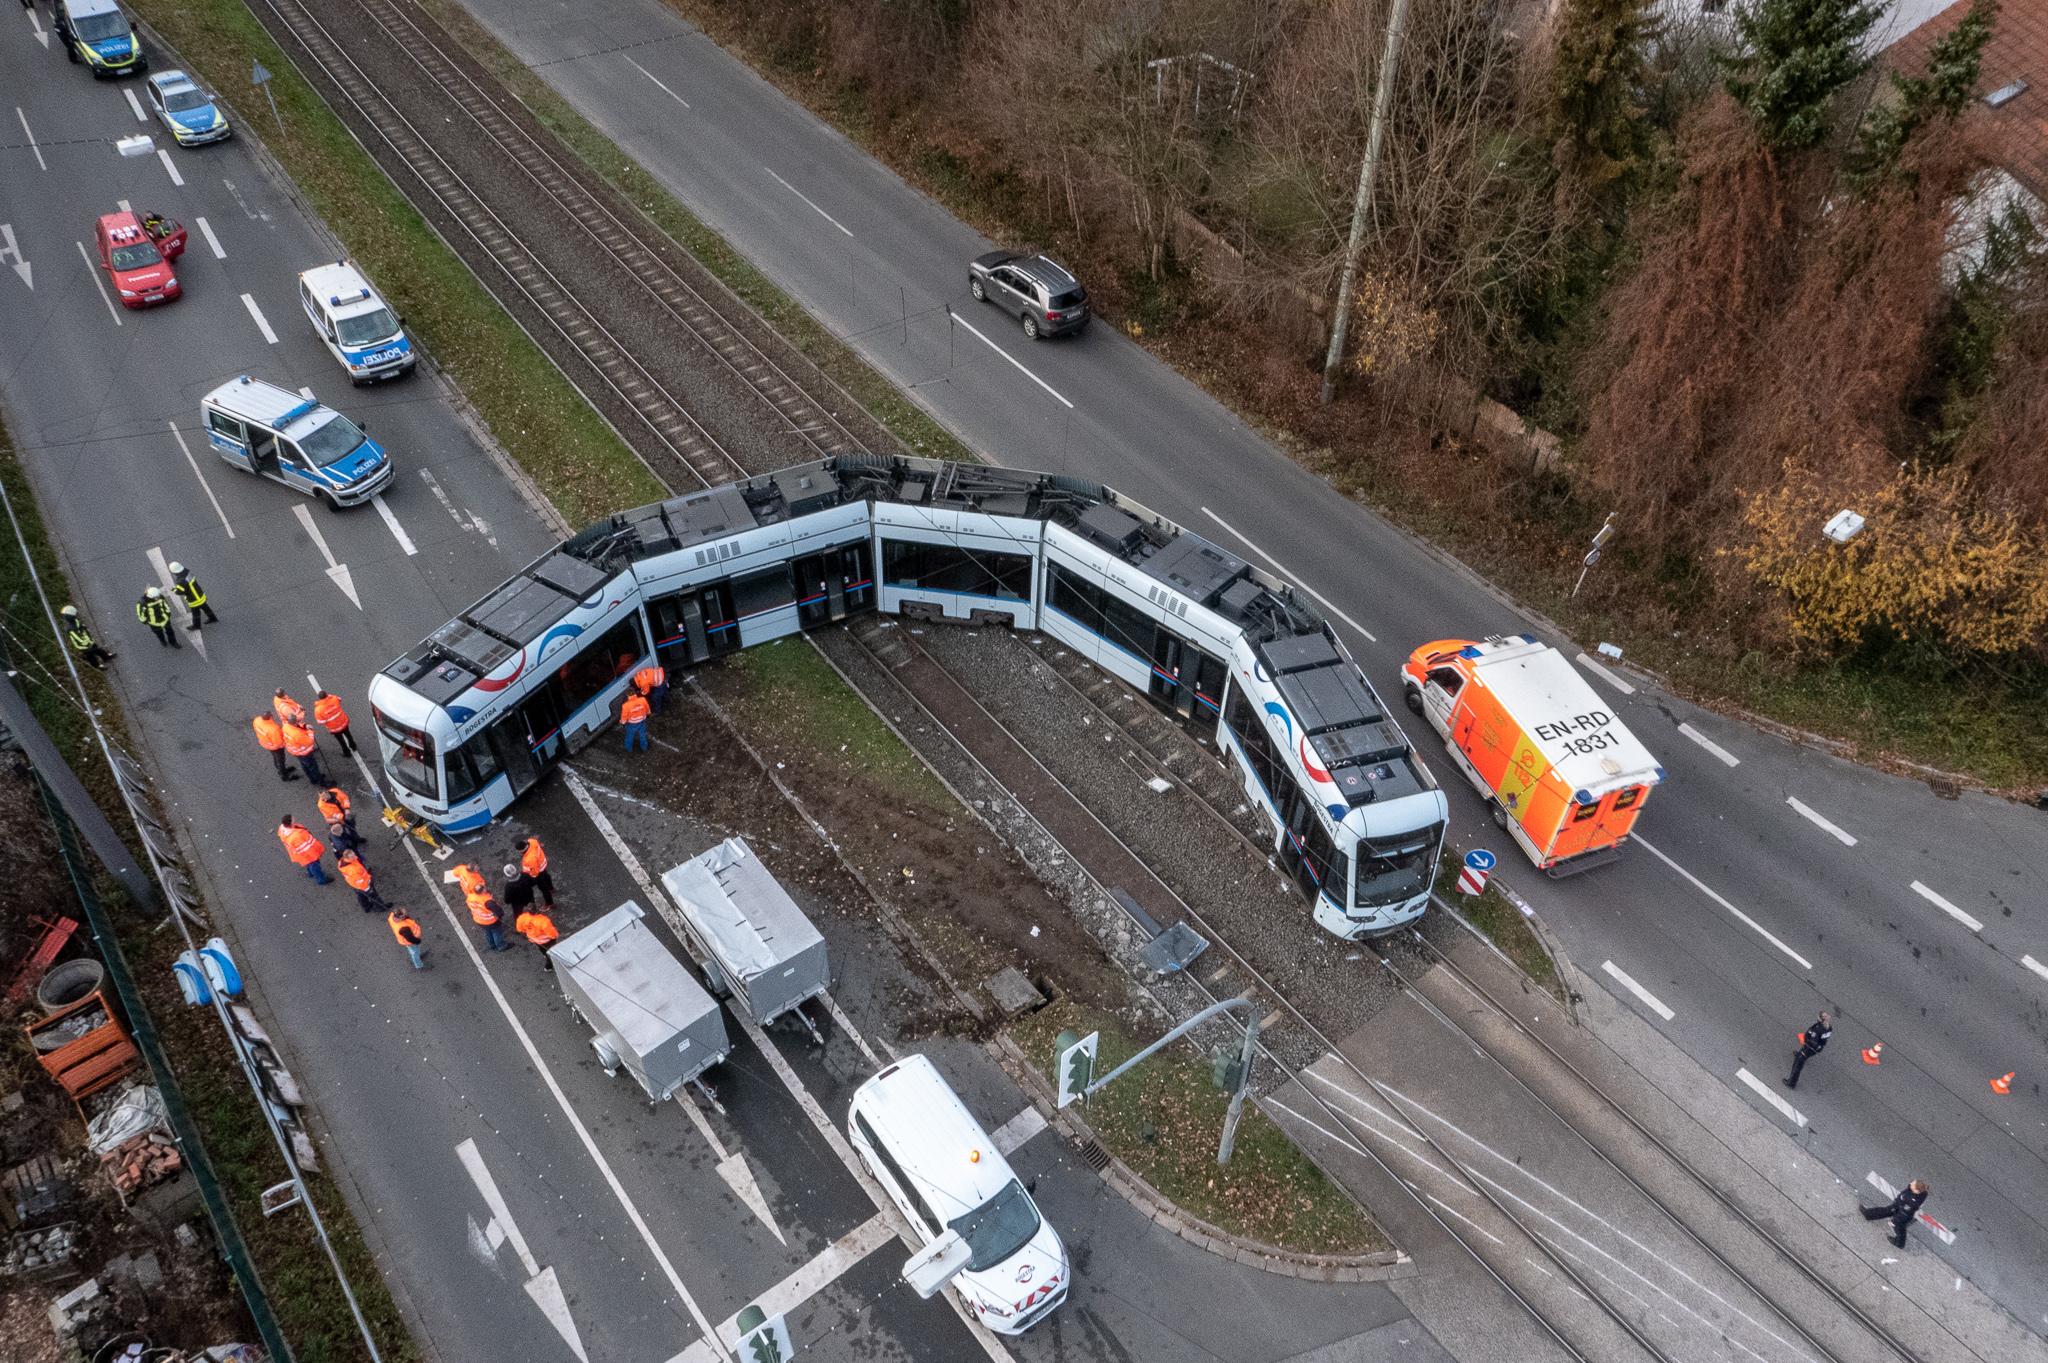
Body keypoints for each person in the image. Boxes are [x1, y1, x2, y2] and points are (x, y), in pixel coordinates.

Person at [1862, 1179, 1930, 1249]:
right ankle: (1868, 1214)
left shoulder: (1913, 1202)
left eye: (1913, 1184)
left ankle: (1899, 1243)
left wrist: (1894, 1221)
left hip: (1902, 1212)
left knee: (1899, 1227)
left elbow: (1904, 1213)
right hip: (1899, 1206)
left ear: (1916, 1191)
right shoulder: (1920, 1192)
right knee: (1887, 1212)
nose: (1910, 1183)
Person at [1785, 1009, 1833, 1090]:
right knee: (1803, 1054)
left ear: (1821, 1019)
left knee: (1798, 1064)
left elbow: (1813, 1042)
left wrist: (1805, 1050)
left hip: (1808, 1048)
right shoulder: (1829, 1028)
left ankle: (1791, 1083)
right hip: (1817, 1048)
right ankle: (1802, 1055)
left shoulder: (1818, 1029)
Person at [277, 816, 328, 885]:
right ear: (290, 823)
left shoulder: (282, 828)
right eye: (293, 819)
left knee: (309, 865)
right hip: (307, 854)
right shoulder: (296, 836)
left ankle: (311, 873)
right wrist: (316, 856)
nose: (294, 819)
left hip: (300, 854)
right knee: (314, 865)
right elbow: (307, 849)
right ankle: (321, 879)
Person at [167, 562, 218, 631]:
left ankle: (196, 626)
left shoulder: (181, 581)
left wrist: (174, 590)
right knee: (206, 608)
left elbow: (179, 592)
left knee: (195, 614)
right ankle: (213, 618)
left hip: (194, 599)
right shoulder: (188, 573)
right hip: (200, 594)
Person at [336, 850, 388, 914]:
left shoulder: (342, 862)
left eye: (354, 854)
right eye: (353, 856)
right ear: (348, 858)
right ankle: (381, 907)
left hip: (354, 884)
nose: (355, 856)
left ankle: (366, 907)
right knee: (374, 896)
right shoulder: (353, 870)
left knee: (361, 895)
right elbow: (360, 882)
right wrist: (367, 888)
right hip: (363, 884)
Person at [252, 712, 296, 782]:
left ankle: (280, 769)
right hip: (276, 747)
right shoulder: (274, 729)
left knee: (276, 758)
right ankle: (284, 775)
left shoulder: (257, 720)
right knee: (280, 760)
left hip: (266, 743)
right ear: (270, 717)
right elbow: (279, 743)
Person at [282, 717, 326, 787]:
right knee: (313, 767)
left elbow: (298, 726)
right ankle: (321, 781)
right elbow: (310, 742)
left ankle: (313, 779)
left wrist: (304, 726)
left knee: (305, 766)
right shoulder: (297, 734)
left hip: (296, 751)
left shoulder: (286, 726)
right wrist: (310, 731)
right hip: (304, 753)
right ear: (295, 722)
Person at [514, 905, 559, 971]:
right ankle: (549, 966)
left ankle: (545, 955)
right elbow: (552, 933)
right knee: (551, 952)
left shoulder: (522, 918)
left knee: (542, 949)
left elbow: (519, 929)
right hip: (547, 941)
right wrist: (555, 936)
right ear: (537, 910)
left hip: (535, 940)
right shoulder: (543, 920)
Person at [313, 690, 358, 755]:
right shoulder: (334, 699)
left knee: (341, 740)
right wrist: (330, 696)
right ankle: (353, 746)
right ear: (327, 695)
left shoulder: (318, 709)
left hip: (334, 728)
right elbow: (340, 699)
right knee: (348, 735)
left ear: (319, 698)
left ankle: (347, 752)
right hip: (343, 722)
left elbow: (320, 721)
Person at [516, 837, 555, 910]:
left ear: (521, 850)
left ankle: (550, 903)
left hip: (538, 873)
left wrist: (532, 878)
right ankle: (551, 888)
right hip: (542, 865)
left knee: (544, 889)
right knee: (547, 876)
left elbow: (535, 872)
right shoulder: (532, 841)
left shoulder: (530, 859)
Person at [316, 785, 359, 850]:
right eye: (321, 797)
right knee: (342, 832)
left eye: (324, 796)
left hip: (345, 814)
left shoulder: (336, 791)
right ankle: (349, 845)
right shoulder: (321, 805)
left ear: (327, 792)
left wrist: (347, 809)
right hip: (336, 820)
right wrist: (344, 818)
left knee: (352, 828)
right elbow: (332, 814)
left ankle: (356, 839)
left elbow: (345, 798)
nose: (323, 799)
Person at [466, 885, 507, 952]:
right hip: (491, 921)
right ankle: (501, 946)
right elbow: (499, 912)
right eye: (484, 888)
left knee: (488, 933)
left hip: (479, 920)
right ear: (483, 890)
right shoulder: (487, 901)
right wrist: (500, 915)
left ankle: (492, 945)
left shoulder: (470, 897)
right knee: (496, 933)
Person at [620, 688, 651, 752]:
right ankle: (644, 748)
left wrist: (622, 723)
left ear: (627, 696)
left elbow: (624, 717)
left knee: (630, 736)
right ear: (635, 693)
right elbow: (647, 708)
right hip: (642, 722)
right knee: (642, 735)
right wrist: (648, 714)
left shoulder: (625, 706)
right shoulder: (643, 700)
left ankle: (629, 749)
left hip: (632, 724)